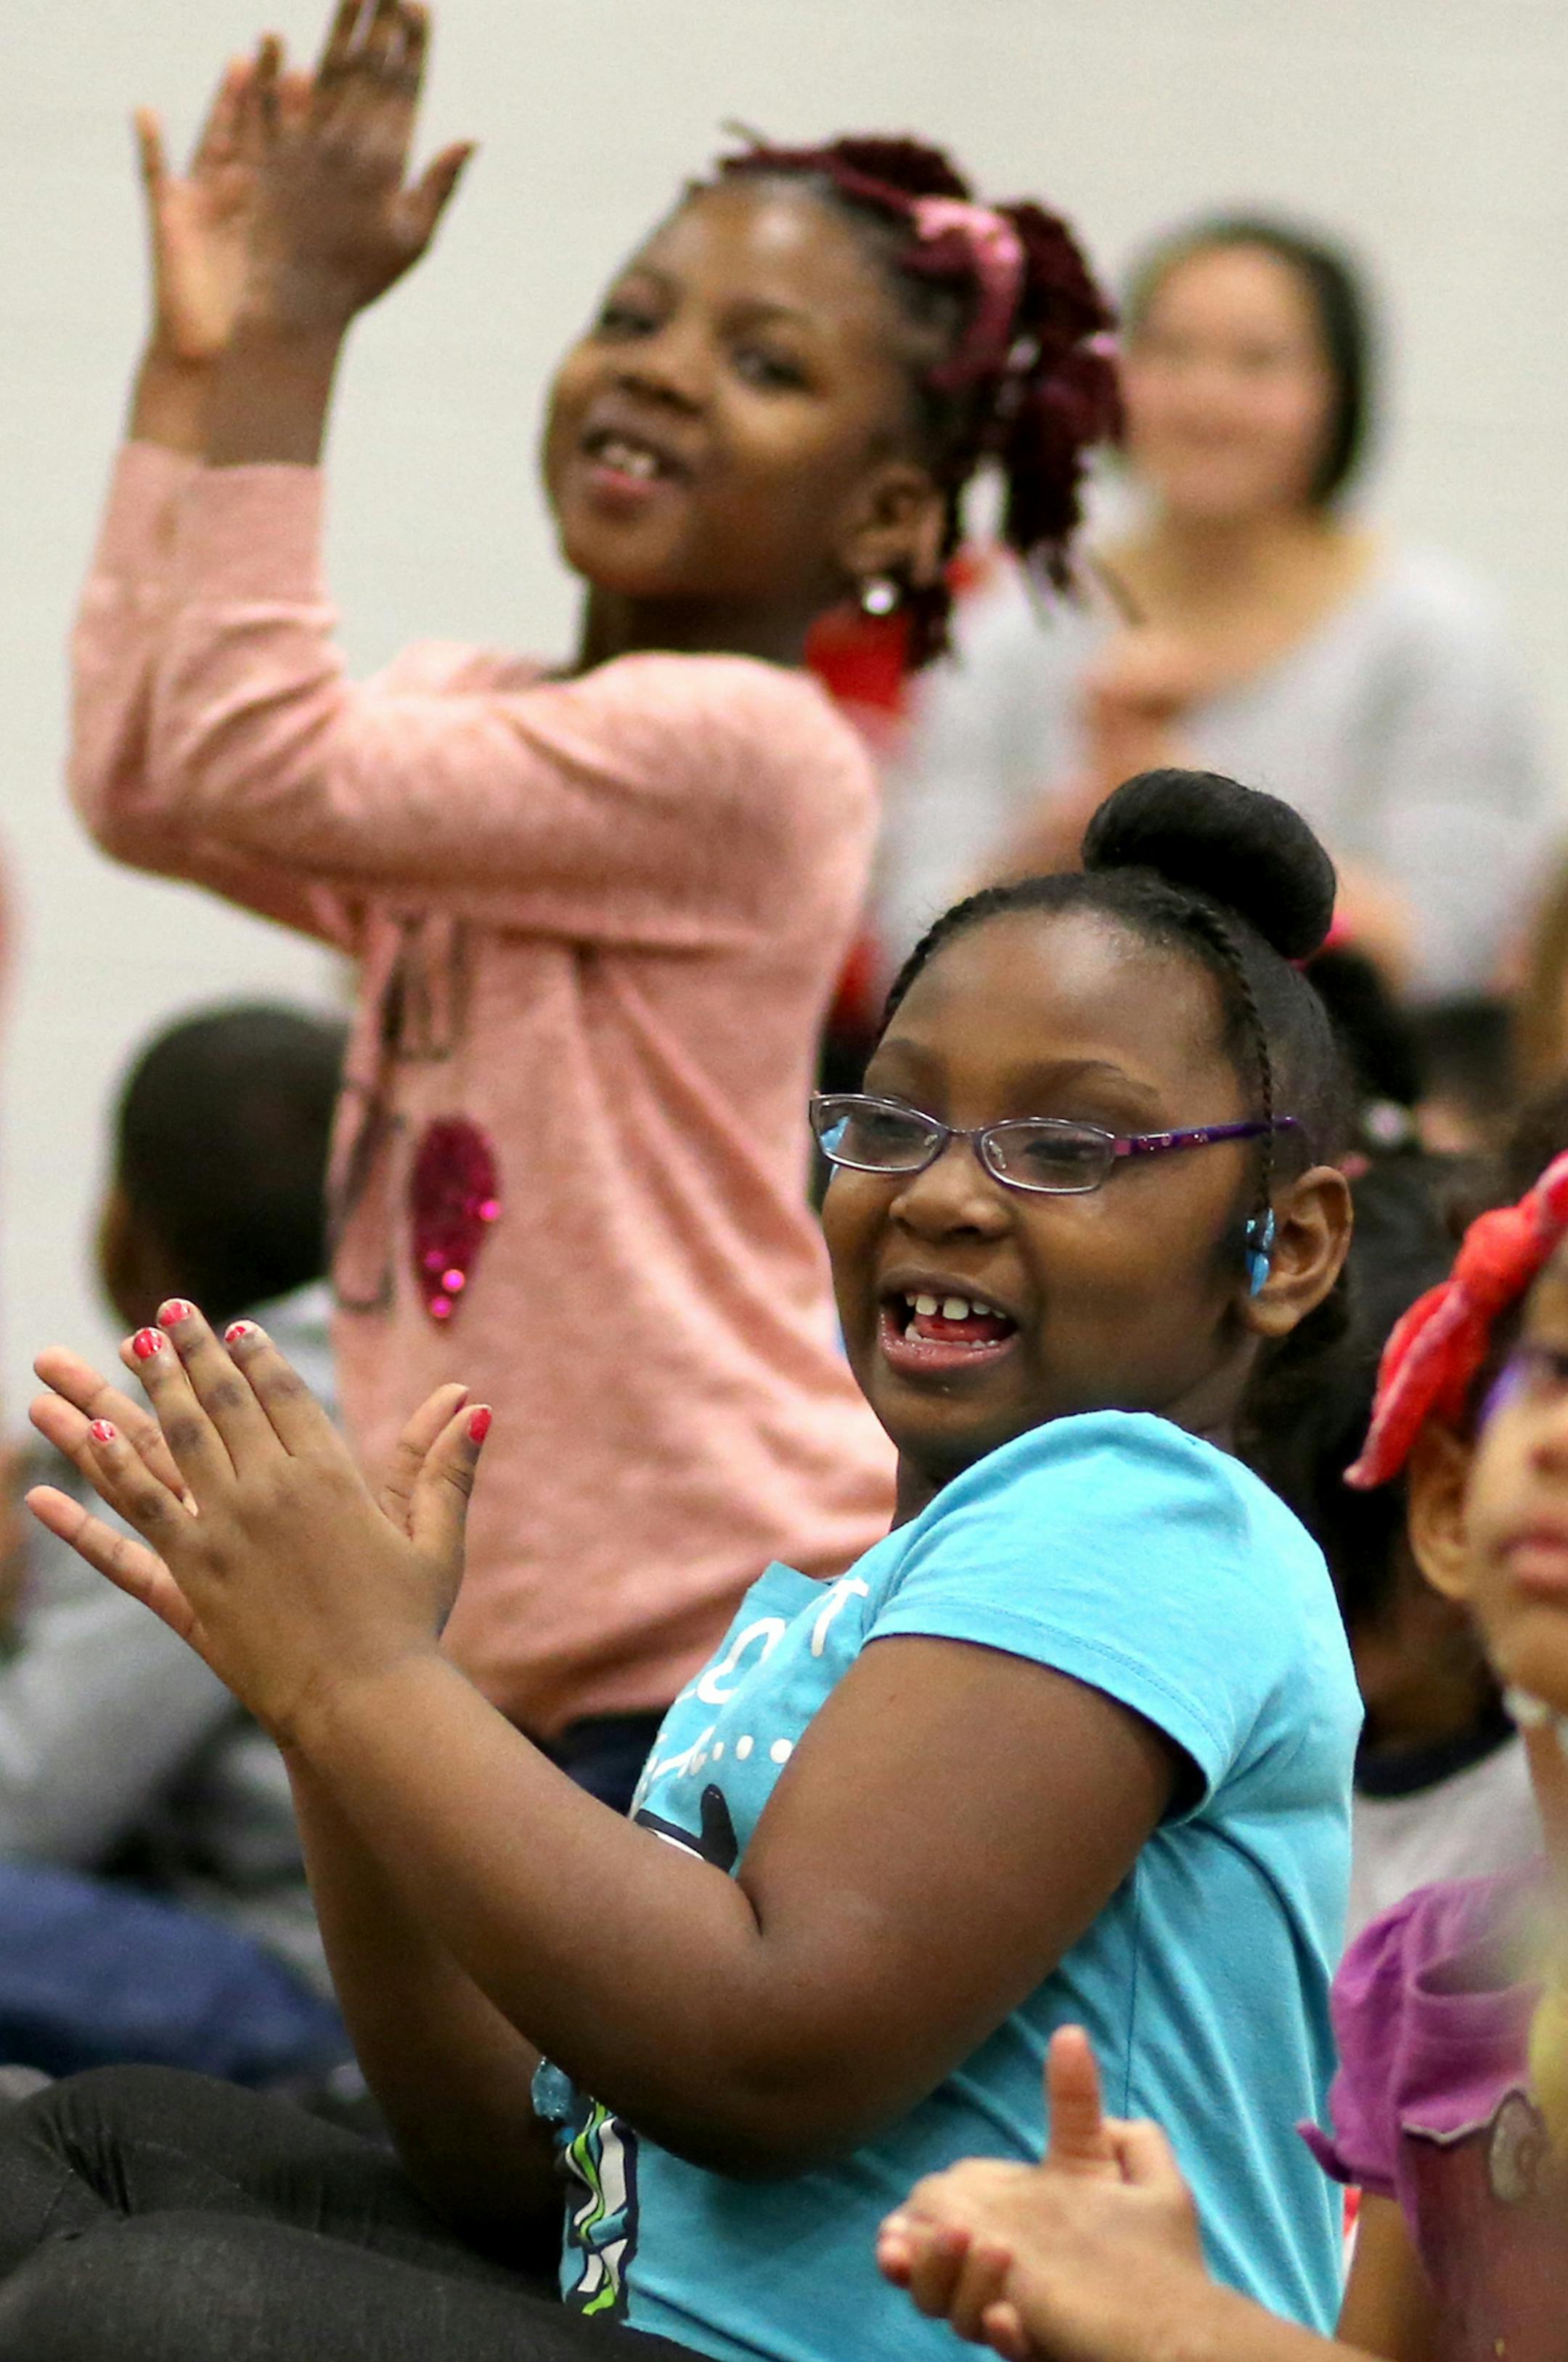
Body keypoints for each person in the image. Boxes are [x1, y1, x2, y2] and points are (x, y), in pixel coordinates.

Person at [4, 769, 1355, 2361]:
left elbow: (762, 2055)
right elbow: (536, 2175)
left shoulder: (1147, 1512)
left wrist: (362, 1679)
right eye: (895, 1119)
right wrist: (326, 1713)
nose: (941, 1192)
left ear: (1292, 1243)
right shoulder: (824, 1614)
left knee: (147, 2316)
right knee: (75, 2147)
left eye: (1066, 1146)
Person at [70, 10, 1120, 1805]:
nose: (663, 372)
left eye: (763, 364)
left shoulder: (747, 748)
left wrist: (295, 337)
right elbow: (152, 783)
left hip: (688, 1639)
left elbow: (245, 755)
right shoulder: (494, 705)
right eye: (632, 319)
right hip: (516, 1650)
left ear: (881, 514)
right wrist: (198, 364)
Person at [880, 1148, 1568, 2362]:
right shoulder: (1445, 1982)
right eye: (1556, 1373)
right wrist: (1110, 2301)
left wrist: (1176, 2323)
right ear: (1451, 1506)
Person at [875, 212, 1551, 996]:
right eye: (1169, 353)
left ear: (1340, 394)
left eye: (1257, 362)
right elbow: (910, 940)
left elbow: (1446, 954)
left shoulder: (1435, 634)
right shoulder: (1017, 621)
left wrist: (1198, 814)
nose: (1206, 397)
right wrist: (1074, 824)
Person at [0, 1003, 349, 2080]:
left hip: (298, 1978)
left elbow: (30, 1804)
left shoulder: (214, 1420)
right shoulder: (353, 1364)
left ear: (128, 1223)